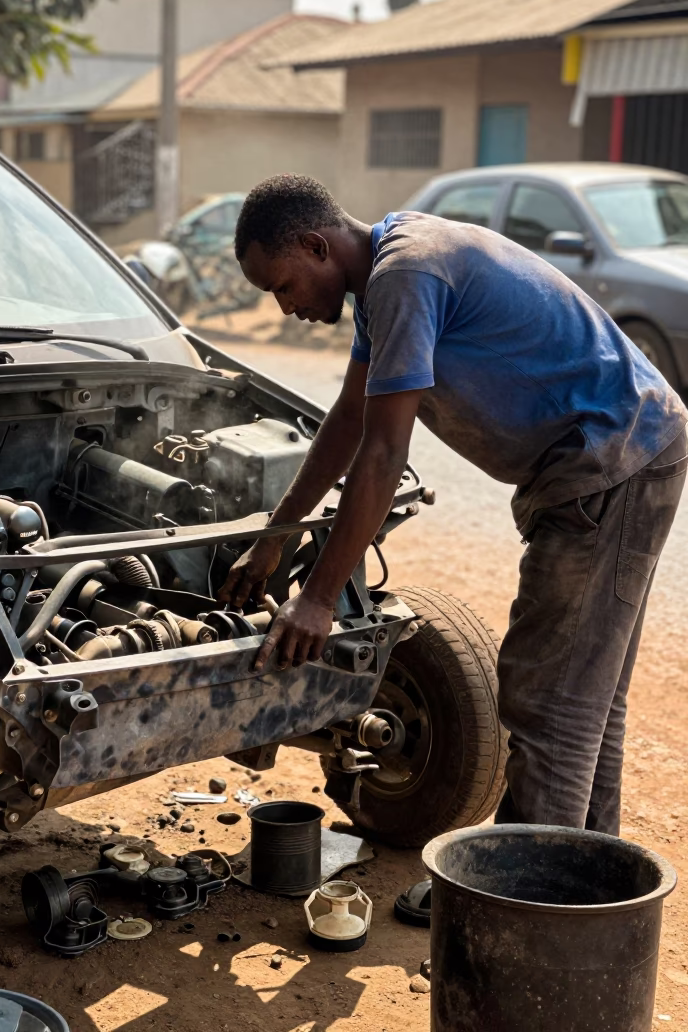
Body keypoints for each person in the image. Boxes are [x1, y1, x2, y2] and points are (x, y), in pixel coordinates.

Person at [217, 173, 687, 835]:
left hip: (612, 461)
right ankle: (586, 885)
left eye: (282, 285)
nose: (284, 307)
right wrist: (278, 535)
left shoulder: (404, 276)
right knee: (586, 701)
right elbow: (348, 422)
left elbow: (381, 454)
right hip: (631, 450)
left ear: (315, 245)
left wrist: (319, 597)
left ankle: (522, 906)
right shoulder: (393, 270)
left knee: (549, 703)